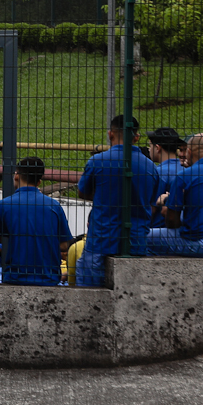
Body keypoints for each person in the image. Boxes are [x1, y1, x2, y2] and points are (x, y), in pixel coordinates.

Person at [75, 114, 160, 287]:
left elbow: (82, 192)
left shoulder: (97, 161)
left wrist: (101, 197)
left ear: (110, 134)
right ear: (136, 137)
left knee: (89, 291)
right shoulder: (151, 167)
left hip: (101, 238)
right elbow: (151, 202)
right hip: (135, 241)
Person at [0, 156, 74, 285]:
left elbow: (0, 235)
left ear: (17, 176)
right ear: (39, 182)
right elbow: (64, 245)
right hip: (49, 278)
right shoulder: (53, 206)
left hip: (15, 277)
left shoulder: (4, 205)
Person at [145, 127, 186, 229]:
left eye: (150, 146)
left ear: (158, 148)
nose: (149, 149)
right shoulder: (185, 168)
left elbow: (151, 209)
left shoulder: (158, 172)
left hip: (158, 232)